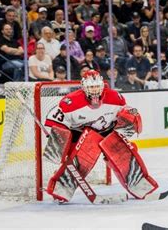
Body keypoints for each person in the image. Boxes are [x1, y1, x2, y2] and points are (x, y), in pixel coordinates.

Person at [44, 70, 157, 202]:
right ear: (84, 87)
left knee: (123, 152)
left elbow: (125, 113)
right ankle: (61, 190)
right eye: (91, 87)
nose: (95, 90)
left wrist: (131, 116)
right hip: (80, 134)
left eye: (97, 86)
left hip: (107, 130)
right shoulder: (70, 102)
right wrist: (60, 143)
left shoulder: (115, 97)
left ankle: (140, 185)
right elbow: (55, 122)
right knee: (80, 160)